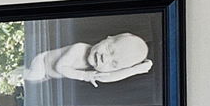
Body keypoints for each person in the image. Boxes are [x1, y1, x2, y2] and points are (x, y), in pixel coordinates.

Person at [21, 31, 152, 86]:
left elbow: (108, 78)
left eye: (114, 64)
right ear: (108, 38)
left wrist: (135, 70)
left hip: (47, 75)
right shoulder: (79, 49)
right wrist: (84, 76)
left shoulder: (95, 66)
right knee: (30, 76)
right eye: (109, 50)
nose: (104, 58)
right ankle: (17, 74)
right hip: (42, 62)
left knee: (30, 83)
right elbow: (59, 67)